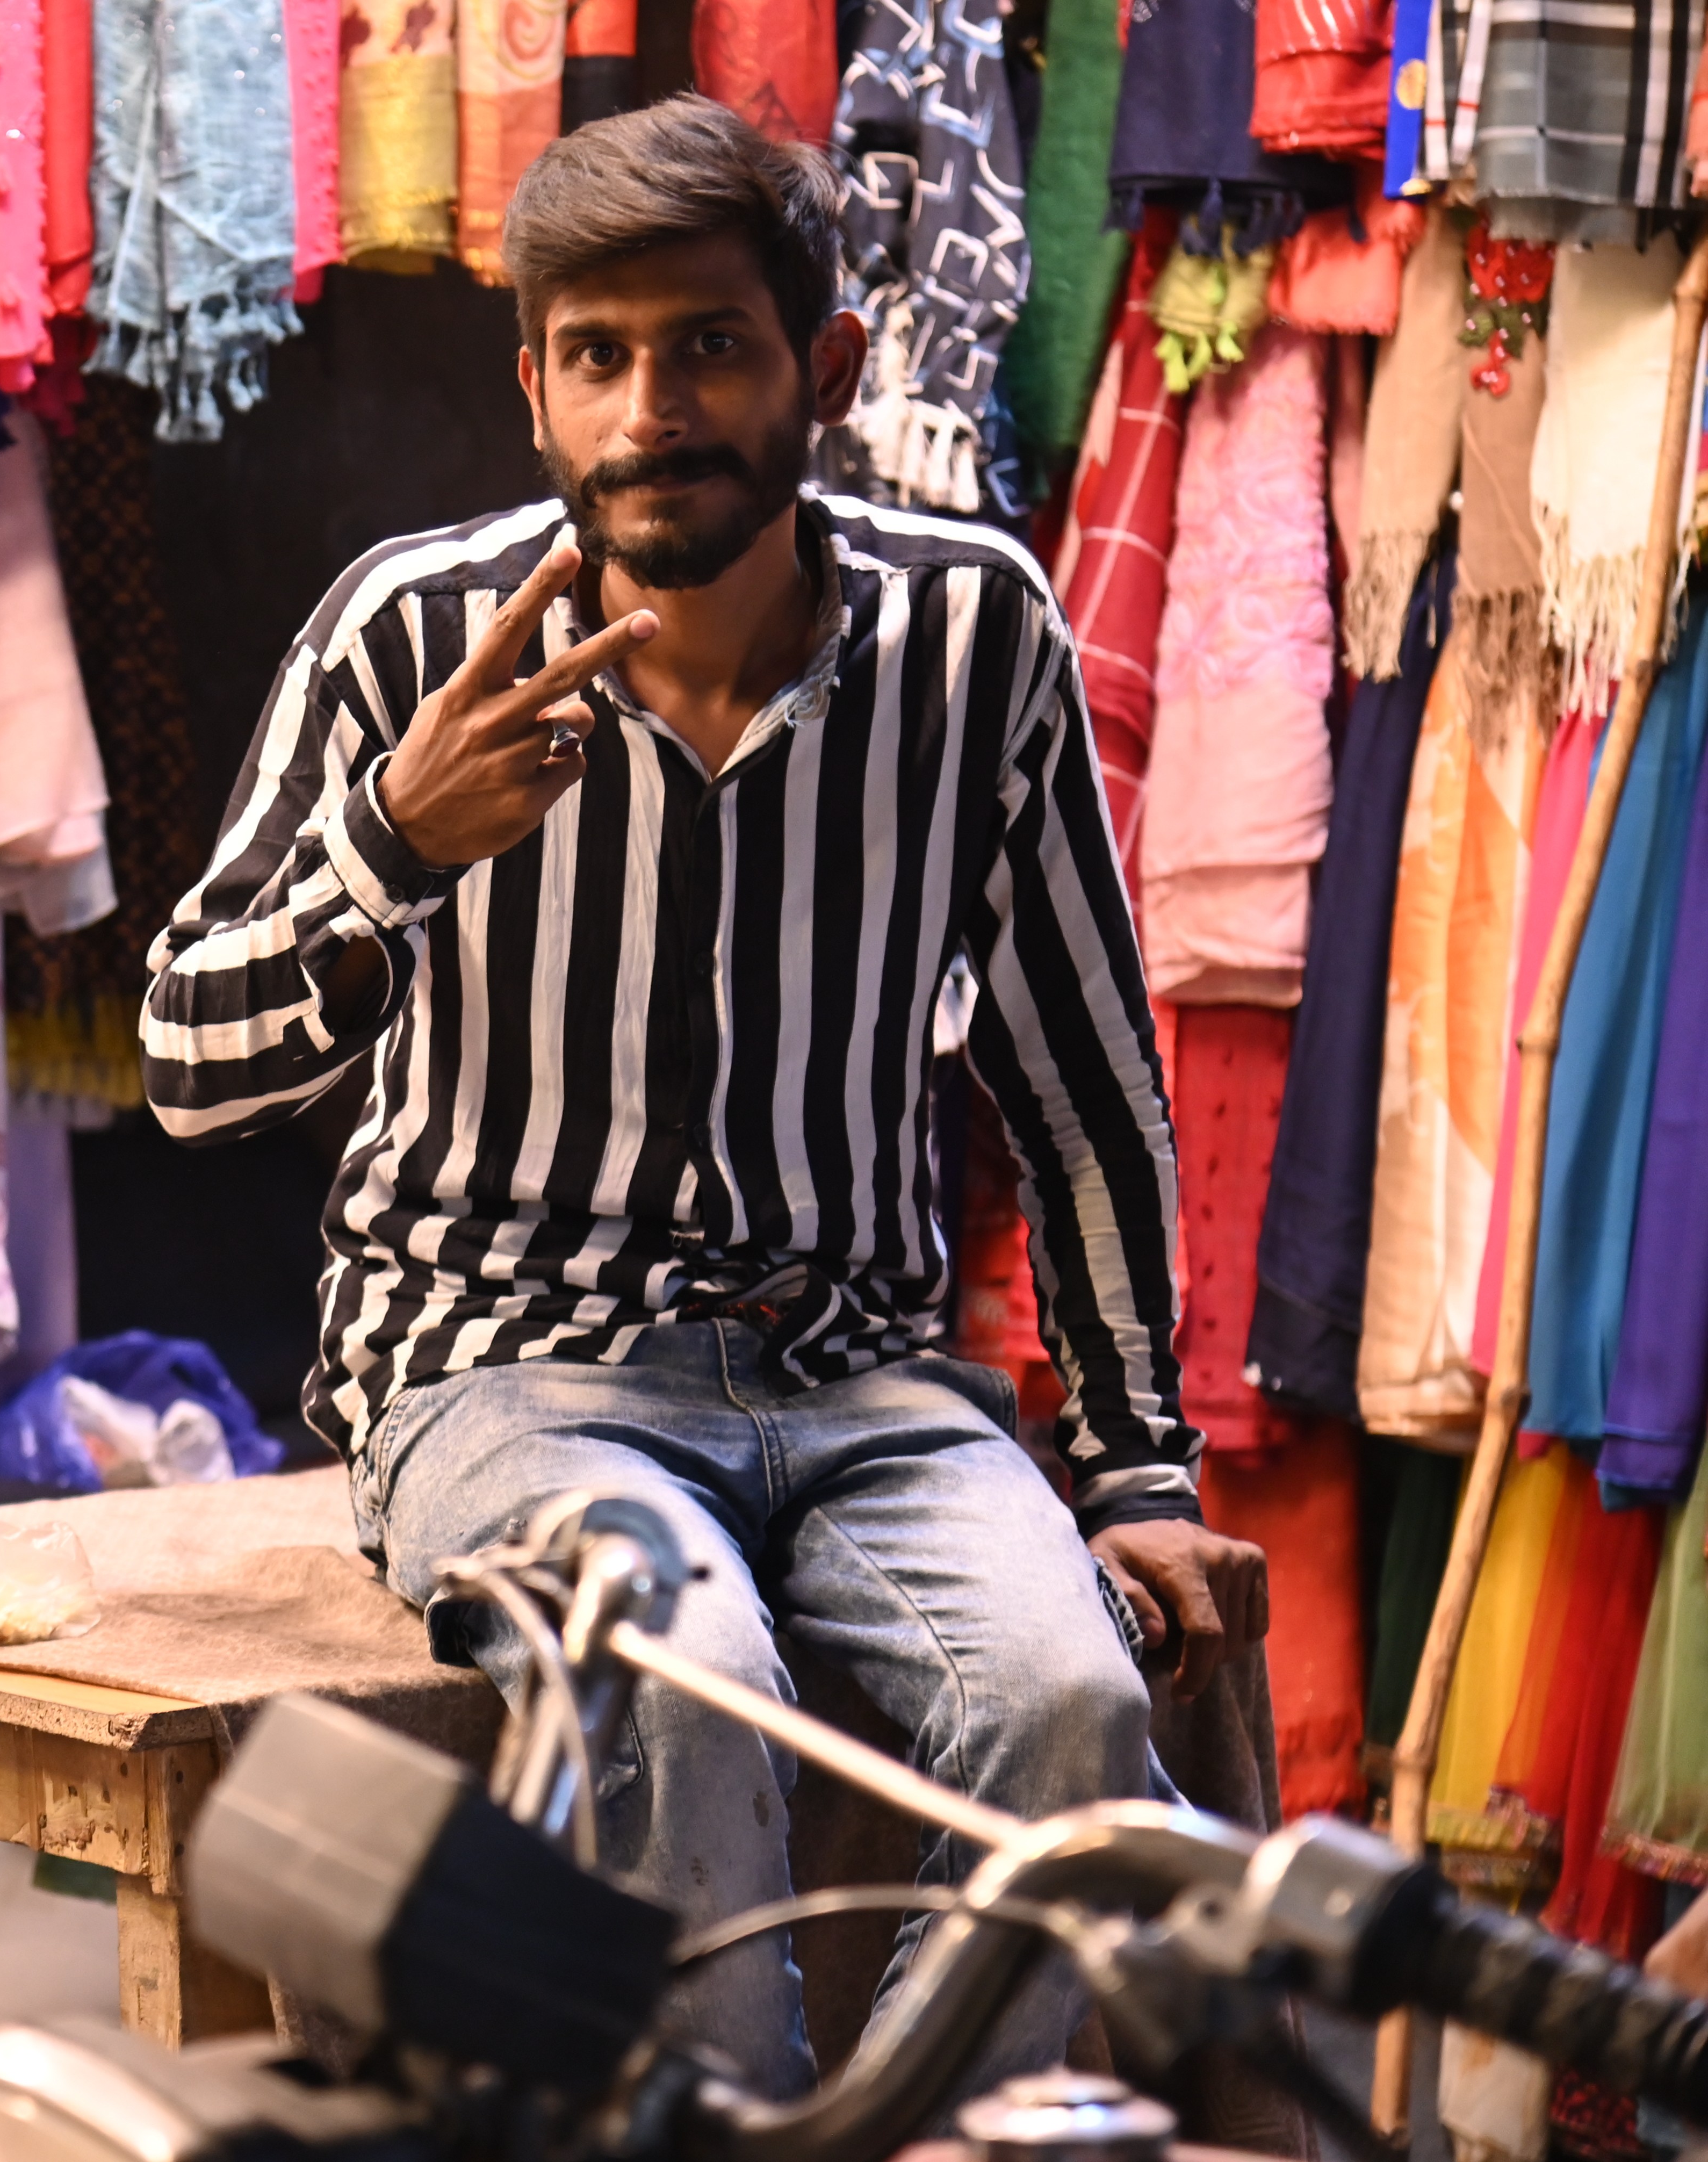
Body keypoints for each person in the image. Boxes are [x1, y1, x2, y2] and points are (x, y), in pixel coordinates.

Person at [142, 97, 1265, 2097]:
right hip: (498, 1370)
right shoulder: (410, 634)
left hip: (860, 1384)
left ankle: (913, 2136)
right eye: (597, 357)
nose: (649, 405)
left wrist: (1140, 1466)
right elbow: (187, 1065)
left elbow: (1083, 1086)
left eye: (708, 348)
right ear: (535, 391)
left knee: (1078, 1722)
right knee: (680, 1670)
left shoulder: (972, 635)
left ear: (825, 367)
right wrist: (393, 849)